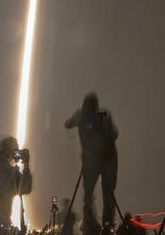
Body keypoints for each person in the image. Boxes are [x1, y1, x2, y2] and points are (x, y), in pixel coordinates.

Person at [65, 92, 120, 235]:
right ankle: (90, 224)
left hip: (107, 160)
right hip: (92, 161)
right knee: (89, 194)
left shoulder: (104, 116)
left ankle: (107, 225)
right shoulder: (83, 116)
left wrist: (99, 126)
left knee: (107, 193)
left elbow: (113, 135)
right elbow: (68, 124)